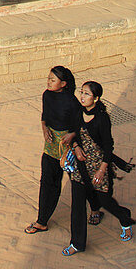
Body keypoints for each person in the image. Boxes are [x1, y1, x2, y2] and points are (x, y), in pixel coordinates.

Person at [61, 81, 135, 256]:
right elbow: (74, 133)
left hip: (98, 167)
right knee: (77, 206)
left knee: (105, 201)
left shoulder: (102, 118)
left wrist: (102, 170)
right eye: (82, 92)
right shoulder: (78, 112)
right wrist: (77, 147)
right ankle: (77, 243)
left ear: (96, 98)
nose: (82, 96)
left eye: (87, 94)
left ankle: (125, 218)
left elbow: (109, 146)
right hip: (80, 166)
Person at [25, 66, 81, 234]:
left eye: (53, 80)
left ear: (63, 83)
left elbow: (80, 126)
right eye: (48, 79)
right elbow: (45, 116)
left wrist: (71, 135)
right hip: (50, 146)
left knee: (79, 182)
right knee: (48, 183)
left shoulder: (72, 103)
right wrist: (44, 128)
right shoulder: (46, 95)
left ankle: (94, 208)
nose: (48, 82)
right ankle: (42, 220)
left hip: (68, 148)